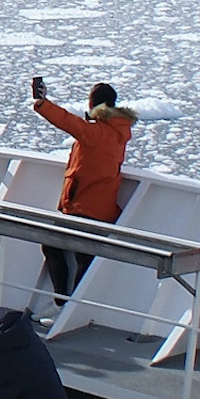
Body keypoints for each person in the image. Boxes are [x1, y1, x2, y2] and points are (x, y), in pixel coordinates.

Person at [31, 80, 135, 300]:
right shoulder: (118, 132)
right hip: (102, 209)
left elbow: (67, 121)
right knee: (84, 256)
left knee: (53, 246)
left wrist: (42, 103)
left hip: (83, 207)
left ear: (92, 104)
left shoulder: (96, 132)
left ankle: (63, 301)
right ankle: (71, 305)